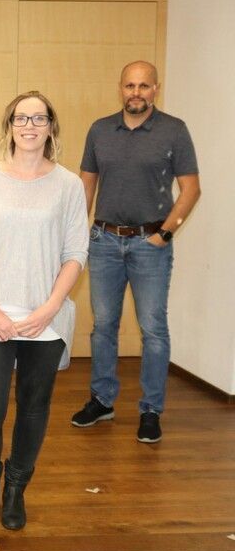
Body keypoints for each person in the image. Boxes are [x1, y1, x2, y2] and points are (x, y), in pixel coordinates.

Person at [0, 91, 88, 530]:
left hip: (45, 318)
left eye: (38, 118)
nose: (29, 125)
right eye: (20, 118)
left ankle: (15, 490)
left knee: (34, 408)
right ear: (9, 127)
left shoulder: (68, 184)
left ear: (51, 126)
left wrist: (50, 308)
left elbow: (75, 253)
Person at [70, 61, 201, 444]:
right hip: (105, 243)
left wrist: (164, 234)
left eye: (144, 86)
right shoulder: (99, 130)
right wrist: (79, 237)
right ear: (120, 88)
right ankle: (102, 400)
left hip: (150, 246)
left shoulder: (174, 131)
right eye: (130, 85)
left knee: (153, 330)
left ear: (156, 89)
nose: (136, 92)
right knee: (103, 327)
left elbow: (191, 189)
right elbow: (86, 188)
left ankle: (151, 410)